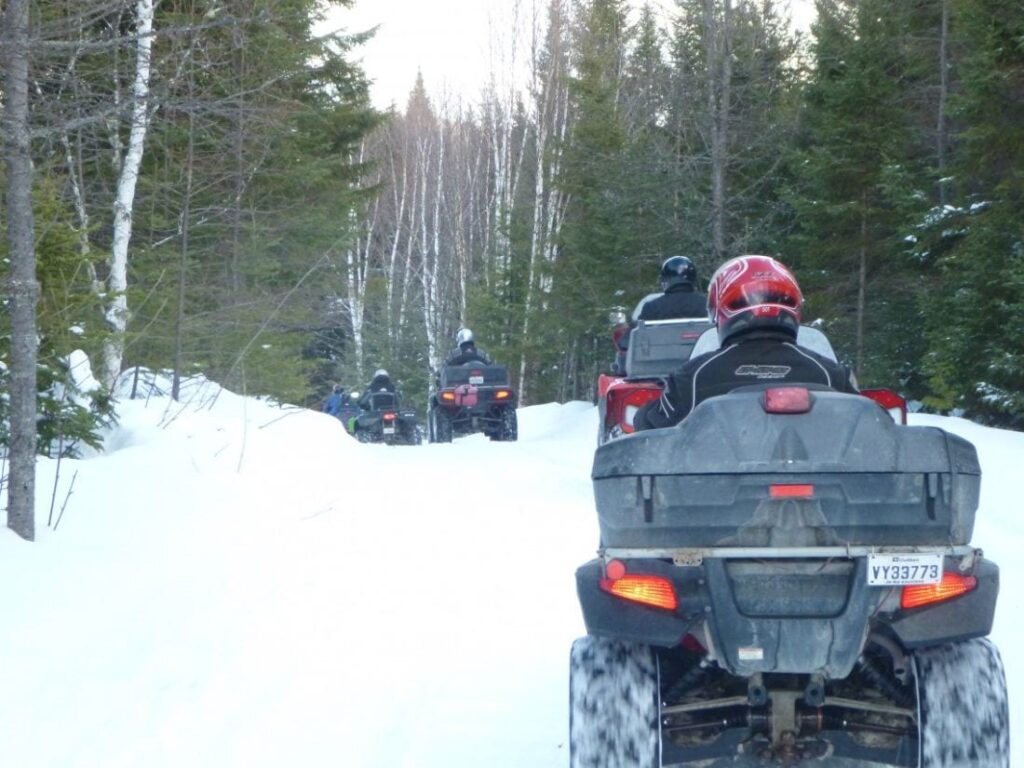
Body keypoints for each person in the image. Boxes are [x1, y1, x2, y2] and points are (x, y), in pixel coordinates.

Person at [636, 255, 858, 430]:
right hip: (822, 486)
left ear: (720, 309)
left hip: (712, 485)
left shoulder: (693, 378)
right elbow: (875, 426)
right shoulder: (832, 374)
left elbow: (648, 426)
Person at [634, 256, 707, 321]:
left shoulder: (652, 307)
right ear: (693, 278)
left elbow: (636, 334)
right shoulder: (707, 304)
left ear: (665, 280)